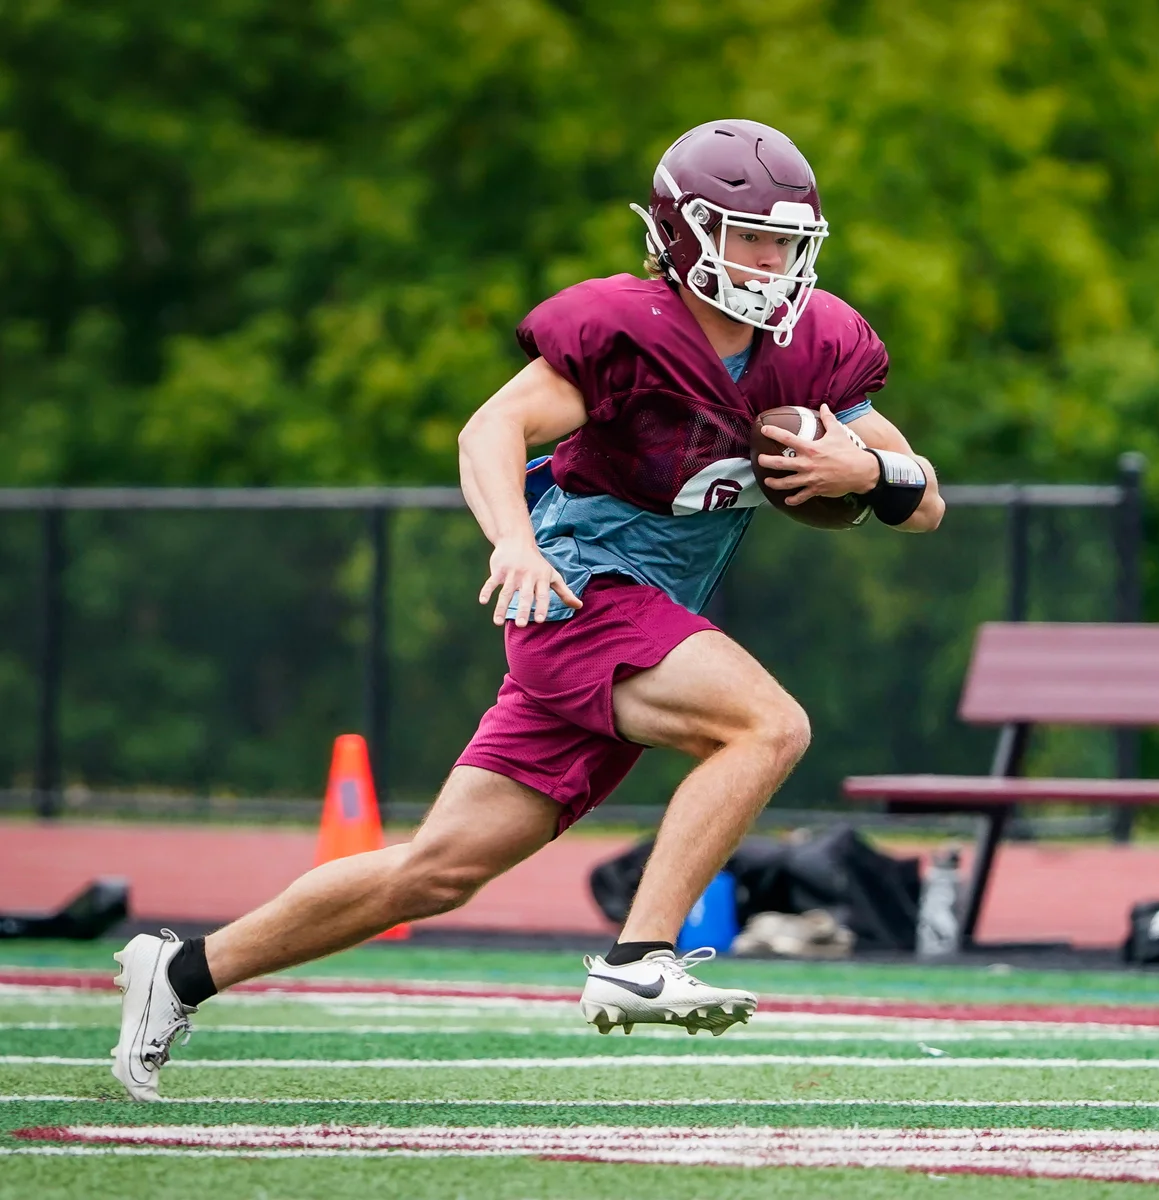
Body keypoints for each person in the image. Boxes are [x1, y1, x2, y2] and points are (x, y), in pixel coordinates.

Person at [109, 118, 945, 1101]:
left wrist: (870, 466)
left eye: (786, 241)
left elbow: (923, 501)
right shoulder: (624, 327)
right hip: (580, 589)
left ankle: (180, 972)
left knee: (432, 873)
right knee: (769, 727)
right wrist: (511, 536)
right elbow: (492, 426)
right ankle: (640, 961)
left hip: (638, 617)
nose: (772, 261)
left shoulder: (816, 349)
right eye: (749, 234)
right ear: (685, 235)